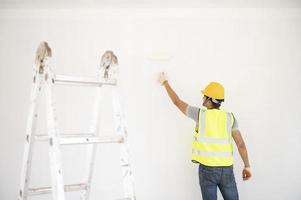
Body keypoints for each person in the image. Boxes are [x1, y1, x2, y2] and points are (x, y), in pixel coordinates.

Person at [158, 72, 251, 200]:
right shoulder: (230, 118)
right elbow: (241, 144)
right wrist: (247, 166)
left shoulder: (199, 114)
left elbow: (177, 102)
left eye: (204, 96)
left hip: (207, 170)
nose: (202, 98)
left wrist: (165, 83)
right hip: (226, 170)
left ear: (210, 100)